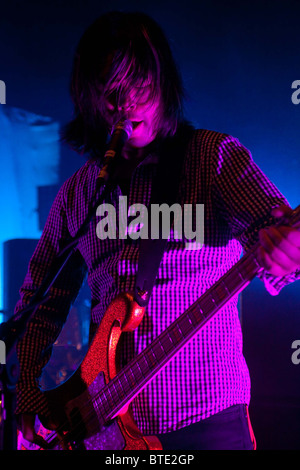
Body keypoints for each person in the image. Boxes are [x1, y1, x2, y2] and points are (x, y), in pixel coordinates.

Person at [14, 11, 300, 450]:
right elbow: (39, 302)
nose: (125, 103)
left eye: (138, 85)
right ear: (91, 101)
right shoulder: (80, 193)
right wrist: (28, 393)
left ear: (163, 84)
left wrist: (288, 248)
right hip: (105, 432)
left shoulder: (212, 157)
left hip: (205, 420)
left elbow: (277, 232)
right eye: (110, 93)